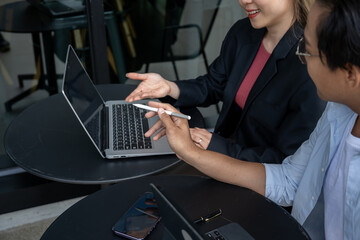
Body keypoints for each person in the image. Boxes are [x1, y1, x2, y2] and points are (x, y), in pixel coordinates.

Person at [144, 0, 360, 238]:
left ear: (349, 73)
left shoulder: (314, 91)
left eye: (307, 50)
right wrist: (190, 151)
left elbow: (283, 165)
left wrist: (207, 147)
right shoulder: (336, 113)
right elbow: (289, 180)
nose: (303, 59)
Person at [126, 0, 325, 164]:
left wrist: (214, 146)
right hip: (222, 149)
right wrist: (169, 87)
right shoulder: (244, 32)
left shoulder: (309, 63)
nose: (244, 1)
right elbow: (214, 84)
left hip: (255, 176)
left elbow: (287, 159)